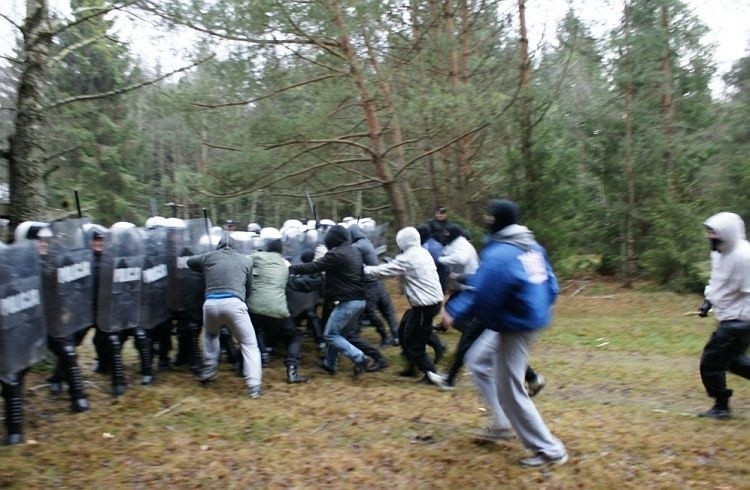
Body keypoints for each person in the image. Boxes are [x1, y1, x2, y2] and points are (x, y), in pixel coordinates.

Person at [443, 199, 567, 467]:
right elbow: (552, 284)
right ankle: (501, 423)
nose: (486, 221)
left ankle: (550, 451)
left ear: (496, 221)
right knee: (477, 361)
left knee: (510, 389)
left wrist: (454, 311)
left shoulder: (501, 253)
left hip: (516, 324)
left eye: (489, 217)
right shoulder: (531, 246)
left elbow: (486, 292)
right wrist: (538, 307)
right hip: (521, 318)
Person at [364, 226, 444, 385]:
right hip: (429, 303)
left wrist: (364, 270)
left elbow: (385, 272)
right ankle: (413, 366)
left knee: (413, 342)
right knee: (404, 331)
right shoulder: (421, 252)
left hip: (425, 305)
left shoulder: (408, 258)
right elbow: (398, 265)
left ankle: (431, 374)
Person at [187, 234, 263, 398]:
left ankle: (208, 371)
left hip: (210, 305)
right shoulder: (246, 260)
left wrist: (207, 257)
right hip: (235, 304)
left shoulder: (210, 257)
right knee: (249, 344)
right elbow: (250, 288)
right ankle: (254, 385)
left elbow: (190, 262)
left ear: (218, 246)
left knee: (210, 336)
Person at [288, 225, 369, 377]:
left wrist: (291, 268)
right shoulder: (354, 251)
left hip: (348, 302)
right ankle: (330, 364)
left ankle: (360, 357)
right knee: (339, 334)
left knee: (331, 335)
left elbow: (314, 266)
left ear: (333, 239)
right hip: (359, 301)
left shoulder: (336, 254)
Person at [697, 212, 750, 419]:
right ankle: (721, 405)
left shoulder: (744, 257)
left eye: (713, 233)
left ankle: (721, 407)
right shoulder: (719, 252)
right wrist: (708, 300)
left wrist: (740, 322)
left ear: (727, 233)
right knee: (732, 361)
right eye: (708, 232)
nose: (709, 237)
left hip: (740, 321)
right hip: (730, 317)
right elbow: (718, 280)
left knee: (710, 362)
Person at [247, 239, 309, 383]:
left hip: (253, 307)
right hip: (276, 308)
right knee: (293, 337)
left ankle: (242, 366)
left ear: (267, 248)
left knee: (249, 336)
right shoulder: (285, 263)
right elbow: (294, 283)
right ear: (282, 251)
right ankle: (292, 371)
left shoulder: (256, 257)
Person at [349, 224, 399, 346]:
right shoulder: (367, 242)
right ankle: (396, 335)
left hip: (370, 284)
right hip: (377, 282)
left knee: (370, 311)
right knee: (387, 310)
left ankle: (385, 336)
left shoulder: (359, 245)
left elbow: (347, 251)